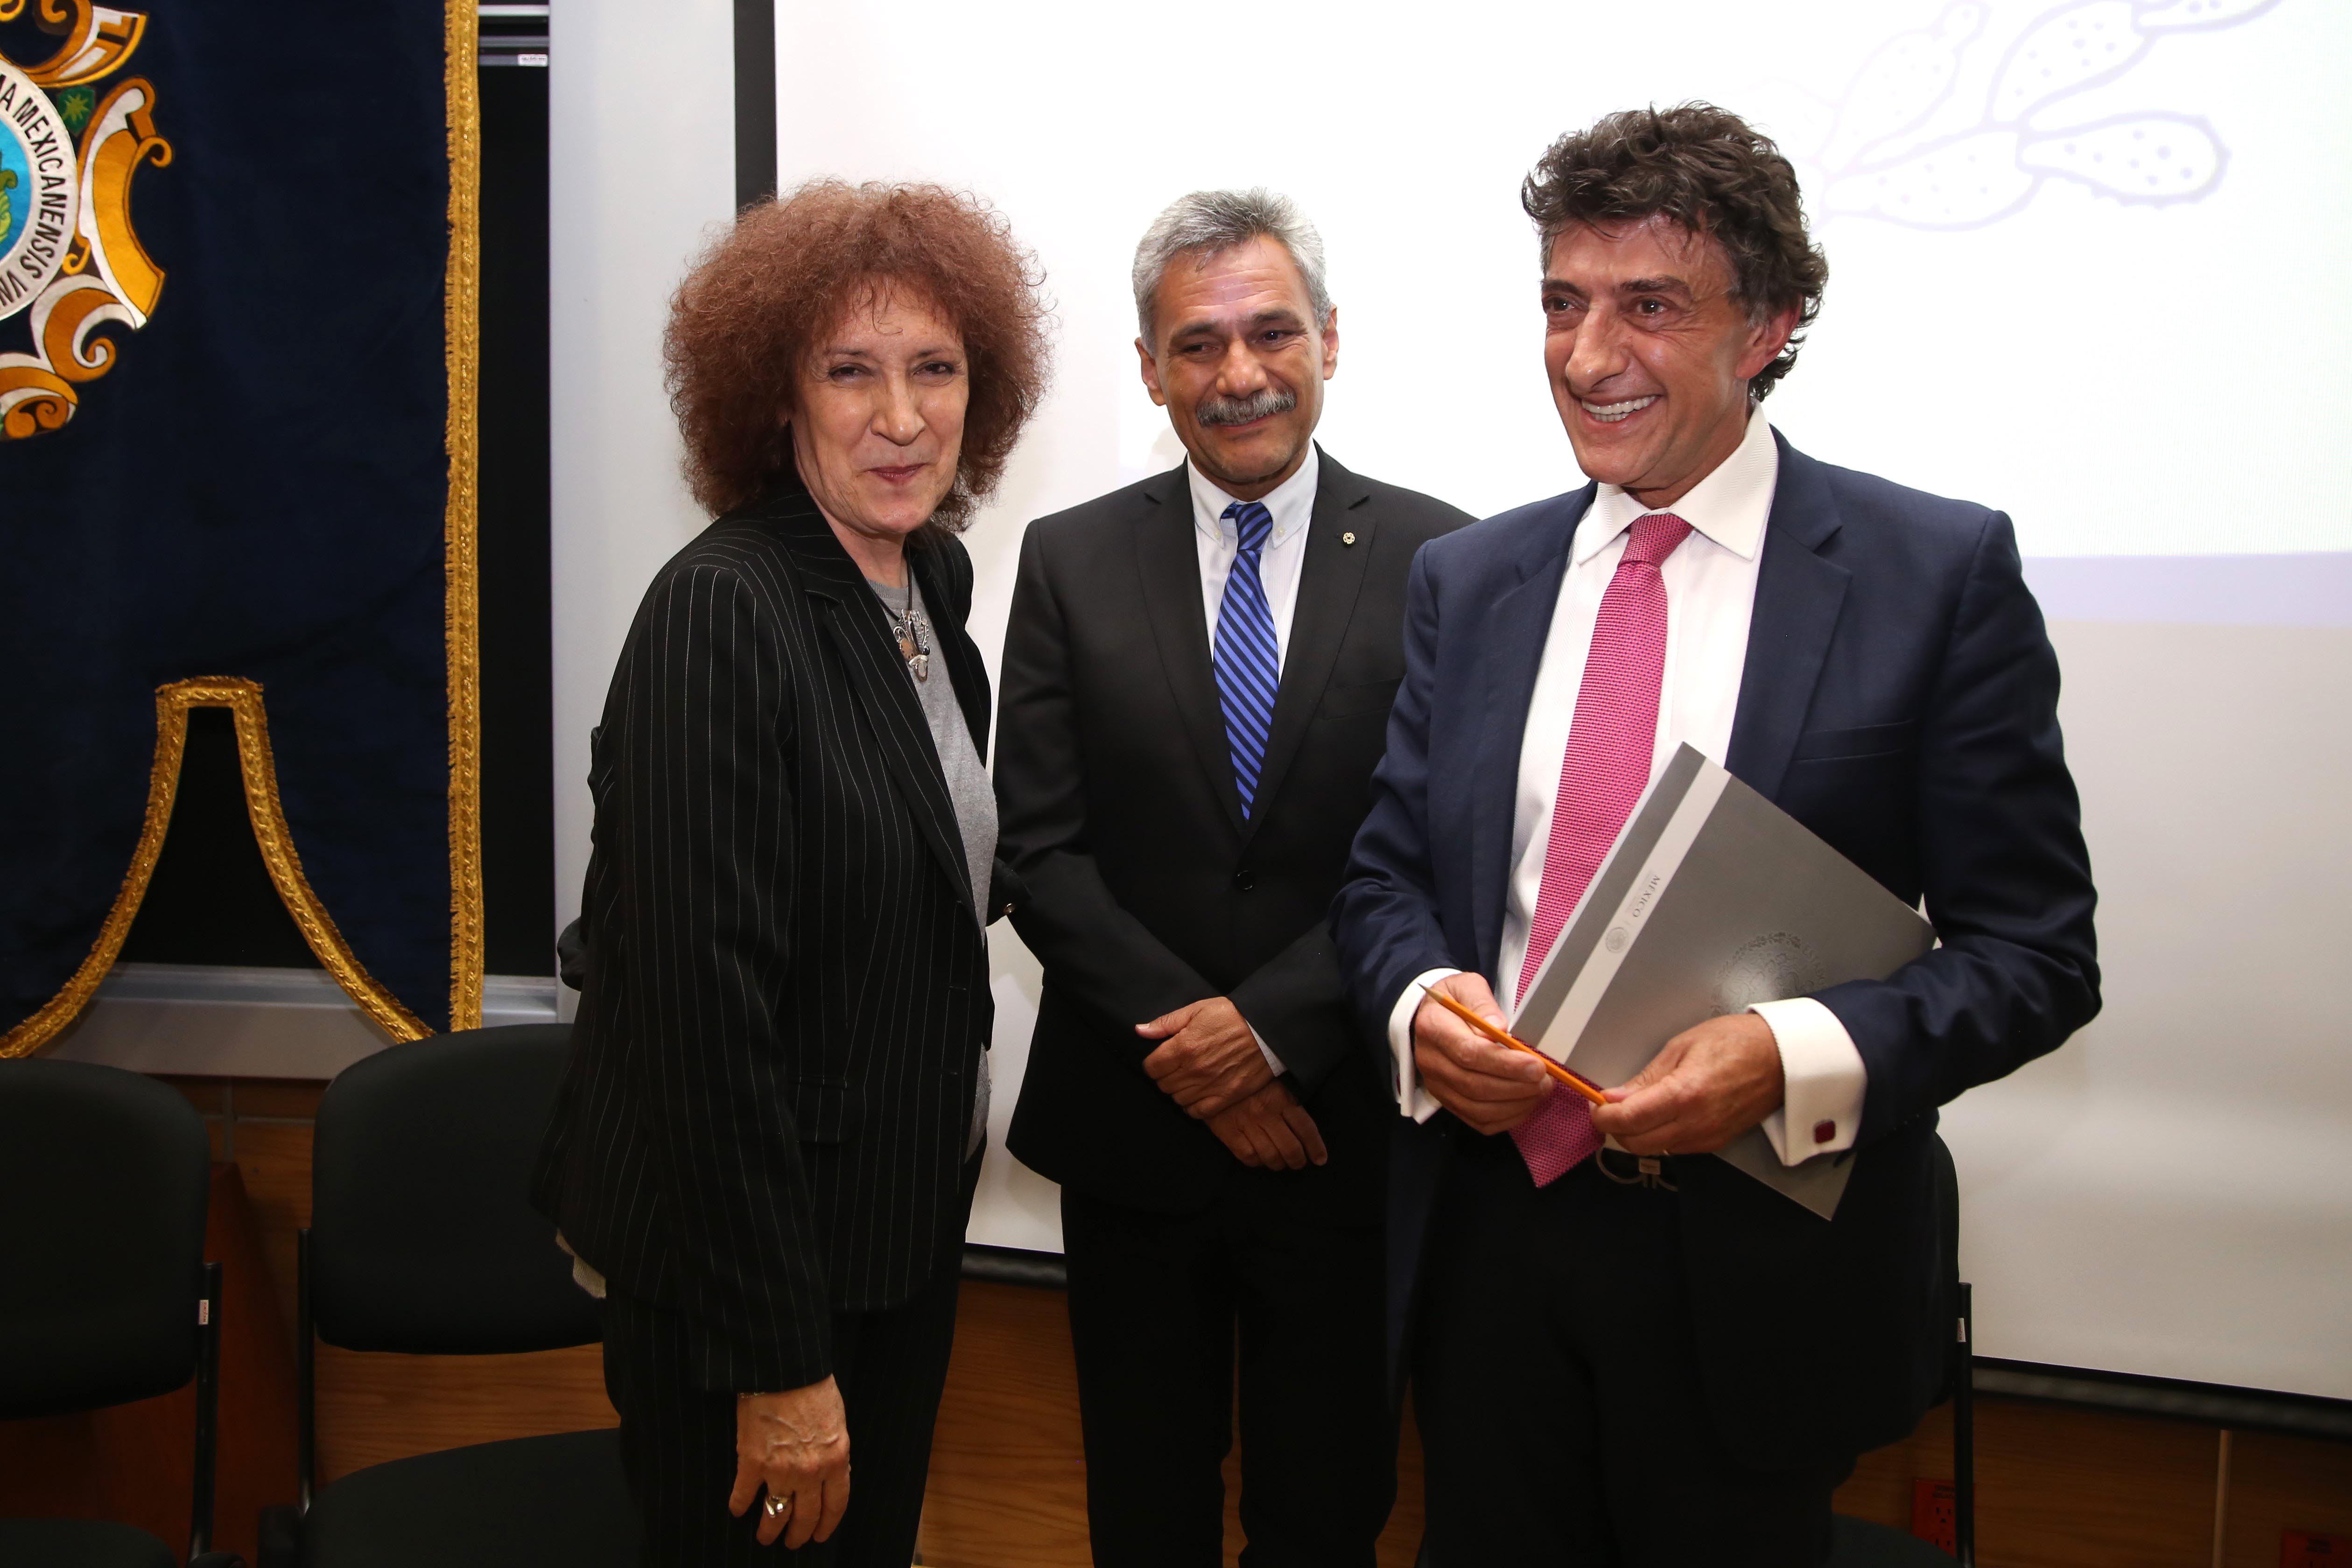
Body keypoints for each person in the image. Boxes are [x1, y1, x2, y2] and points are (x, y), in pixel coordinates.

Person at [1331, 105, 2100, 1563]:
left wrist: (1789, 1058)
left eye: (1650, 307)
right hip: (1489, 1252)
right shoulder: (1471, 580)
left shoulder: (1933, 575)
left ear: (1770, 327)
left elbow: (2037, 956)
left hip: (1761, 1275)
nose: (1586, 356)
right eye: (1562, 302)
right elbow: (1386, 877)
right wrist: (1423, 1004)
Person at [532, 180, 1049, 1566]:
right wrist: (779, 1362)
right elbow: (700, 1025)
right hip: (752, 1284)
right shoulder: (722, 612)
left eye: (936, 368)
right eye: (851, 372)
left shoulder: (928, 583)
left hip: (893, 1230)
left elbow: (925, 874)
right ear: (775, 397)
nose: (902, 418)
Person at [995, 189, 1472, 1565]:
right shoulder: (1071, 558)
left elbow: (1446, 844)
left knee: (1325, 1514)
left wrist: (1268, 1036)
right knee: (1143, 1510)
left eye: (1272, 332)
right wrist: (1206, 1058)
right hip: (1132, 1136)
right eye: (1197, 345)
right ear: (1151, 370)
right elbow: (1040, 849)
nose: (1239, 373)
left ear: (1331, 340)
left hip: (1345, 1136)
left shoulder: (1448, 560)